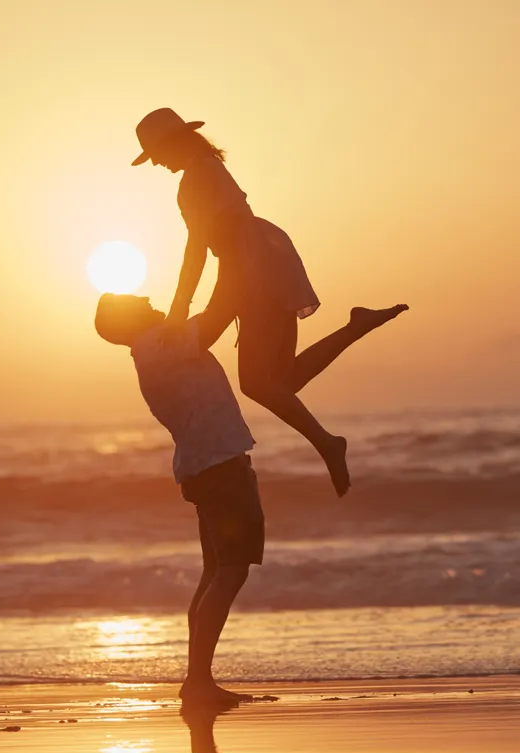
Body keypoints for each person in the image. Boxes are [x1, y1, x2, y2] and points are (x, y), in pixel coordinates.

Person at [95, 293, 409, 706]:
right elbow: (221, 312)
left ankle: (198, 680)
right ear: (128, 320)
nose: (150, 298)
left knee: (215, 574)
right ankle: (198, 682)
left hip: (207, 468)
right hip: (220, 468)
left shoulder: (154, 349)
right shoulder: (163, 343)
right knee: (229, 573)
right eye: (137, 300)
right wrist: (238, 269)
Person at [131, 108, 408, 498]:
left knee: (258, 383)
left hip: (250, 268)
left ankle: (328, 443)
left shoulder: (196, 178)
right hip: (266, 256)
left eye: (157, 152)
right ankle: (356, 327)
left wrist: (181, 308)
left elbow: (200, 247)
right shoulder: (207, 168)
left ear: (174, 142)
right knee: (284, 380)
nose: (157, 162)